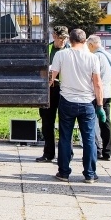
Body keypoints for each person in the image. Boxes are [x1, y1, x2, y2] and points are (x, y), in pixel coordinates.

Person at [49, 28, 103, 183]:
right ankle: (90, 174)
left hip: (67, 101)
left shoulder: (61, 55)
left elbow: (51, 77)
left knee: (65, 137)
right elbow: (98, 83)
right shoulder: (93, 58)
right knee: (89, 139)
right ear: (85, 41)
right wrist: (99, 106)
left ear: (70, 40)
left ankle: (64, 172)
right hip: (87, 103)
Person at [36, 26, 70, 163]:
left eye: (64, 38)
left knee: (65, 123)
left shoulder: (70, 50)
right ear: (53, 36)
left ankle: (67, 154)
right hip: (49, 89)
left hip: (65, 89)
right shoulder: (47, 49)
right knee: (47, 122)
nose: (62, 41)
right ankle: (49, 153)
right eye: (60, 38)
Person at [87, 35, 111, 161]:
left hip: (96, 94)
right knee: (106, 122)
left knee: (92, 122)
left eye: (88, 46)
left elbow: (92, 77)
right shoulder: (110, 56)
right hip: (108, 93)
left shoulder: (95, 57)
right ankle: (107, 152)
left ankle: (96, 150)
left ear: (91, 45)